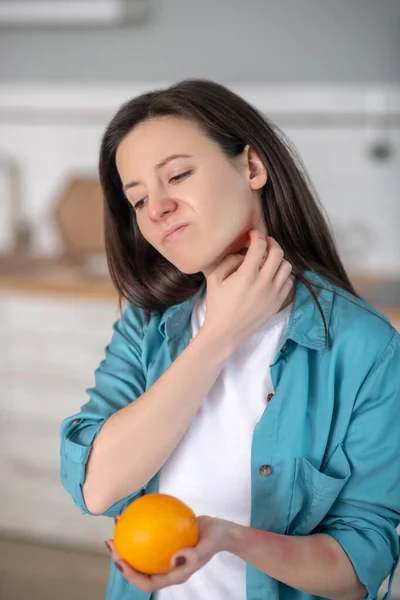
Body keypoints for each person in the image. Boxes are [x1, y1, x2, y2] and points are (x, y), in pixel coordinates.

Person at [60, 79, 400, 600]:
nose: (157, 209)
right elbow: (98, 486)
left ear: (252, 168)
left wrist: (229, 539)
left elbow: (359, 567)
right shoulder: (147, 323)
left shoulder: (366, 349)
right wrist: (219, 336)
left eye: (177, 175)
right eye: (138, 199)